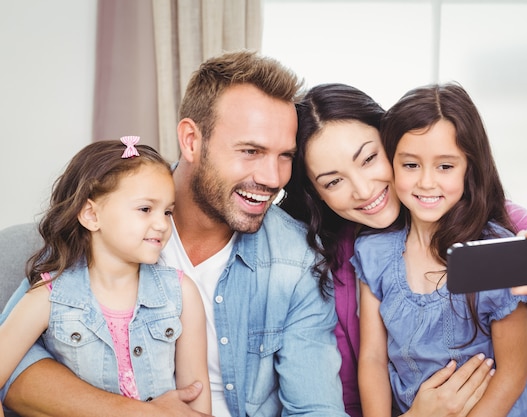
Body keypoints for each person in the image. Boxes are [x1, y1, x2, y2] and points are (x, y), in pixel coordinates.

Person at [1, 51, 348, 417]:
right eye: (251, 150)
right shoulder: (113, 217)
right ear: (192, 140)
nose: (273, 178)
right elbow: (15, 367)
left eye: (284, 156)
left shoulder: (297, 259)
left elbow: (316, 408)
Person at [281, 83, 527, 417]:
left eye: (369, 158)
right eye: (333, 181)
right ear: (315, 192)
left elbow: (516, 368)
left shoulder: (494, 238)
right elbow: (370, 362)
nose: (363, 190)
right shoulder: (363, 252)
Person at [352, 82, 527, 417]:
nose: (426, 182)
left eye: (445, 166)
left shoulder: (494, 250)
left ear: (469, 168)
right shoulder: (373, 252)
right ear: (391, 163)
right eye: (411, 165)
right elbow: (372, 359)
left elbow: (512, 374)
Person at [0, 138, 212, 416]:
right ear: (91, 215)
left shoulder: (181, 292)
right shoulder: (48, 297)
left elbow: (196, 400)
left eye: (168, 211)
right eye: (145, 209)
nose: (162, 224)